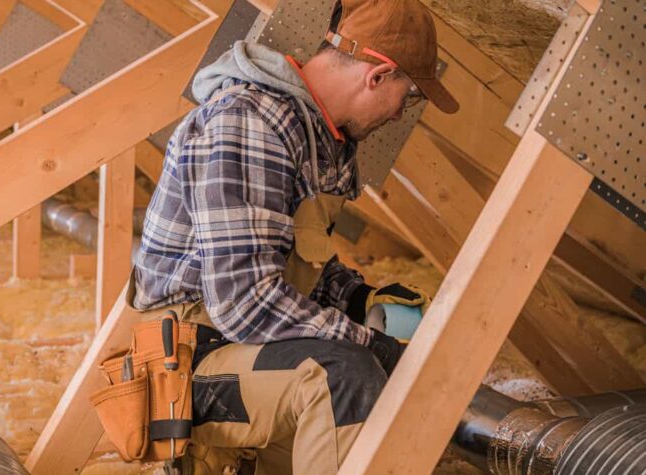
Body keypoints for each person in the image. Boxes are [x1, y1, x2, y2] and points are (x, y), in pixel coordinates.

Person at [130, 0, 458, 473]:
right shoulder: (249, 123)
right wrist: (373, 344)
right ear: (378, 75)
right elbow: (245, 301)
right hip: (189, 369)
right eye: (407, 97)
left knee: (362, 380)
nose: (398, 114)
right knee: (343, 375)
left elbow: (291, 264)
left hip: (243, 352)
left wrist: (358, 297)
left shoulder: (312, 135)